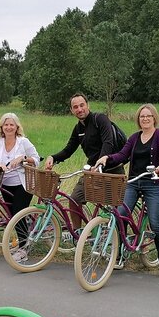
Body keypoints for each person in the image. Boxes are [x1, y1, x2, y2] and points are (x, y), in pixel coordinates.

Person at [95, 104, 159, 279]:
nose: (145, 119)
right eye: (142, 116)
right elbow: (122, 155)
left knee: (155, 222)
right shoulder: (134, 137)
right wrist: (107, 158)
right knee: (120, 214)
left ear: (154, 118)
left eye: (148, 116)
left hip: (154, 183)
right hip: (133, 182)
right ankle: (121, 253)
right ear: (138, 119)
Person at [44, 93, 125, 231]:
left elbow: (108, 142)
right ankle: (79, 233)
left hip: (113, 170)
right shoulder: (78, 129)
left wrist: (100, 163)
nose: (79, 109)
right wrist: (53, 157)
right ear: (71, 110)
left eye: (82, 105)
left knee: (112, 210)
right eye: (75, 107)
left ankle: (114, 238)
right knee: (74, 199)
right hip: (92, 172)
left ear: (88, 105)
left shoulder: (100, 119)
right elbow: (68, 150)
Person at [0, 113, 41, 262]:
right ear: (1, 127)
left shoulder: (23, 142)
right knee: (12, 215)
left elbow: (36, 160)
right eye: (6, 125)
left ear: (17, 127)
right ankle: (25, 237)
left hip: (23, 184)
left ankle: (23, 248)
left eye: (12, 124)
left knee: (18, 213)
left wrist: (23, 158)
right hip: (5, 183)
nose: (9, 127)